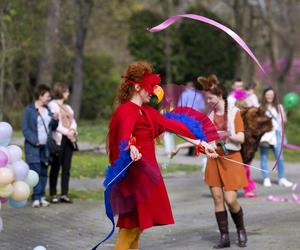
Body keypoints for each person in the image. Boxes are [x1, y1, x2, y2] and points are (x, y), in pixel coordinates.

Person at [104, 61, 217, 250]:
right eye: (150, 86)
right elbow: (123, 137)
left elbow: (172, 125)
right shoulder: (126, 111)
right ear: (137, 86)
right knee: (131, 227)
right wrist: (130, 147)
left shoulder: (146, 112)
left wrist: (200, 142)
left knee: (136, 227)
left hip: (147, 176)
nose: (154, 91)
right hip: (136, 178)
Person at [200, 75, 248, 248]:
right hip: (215, 158)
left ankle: (241, 229)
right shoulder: (209, 115)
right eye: (207, 99)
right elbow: (204, 137)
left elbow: (241, 138)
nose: (209, 101)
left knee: (230, 199)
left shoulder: (234, 112)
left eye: (210, 98)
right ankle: (224, 237)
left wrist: (227, 134)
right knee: (217, 199)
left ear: (219, 95)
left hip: (232, 158)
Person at [22, 84, 58, 208]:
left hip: (46, 147)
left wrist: (56, 120)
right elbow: (25, 129)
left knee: (43, 172)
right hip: (33, 147)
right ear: (40, 95)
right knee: (35, 172)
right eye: (47, 96)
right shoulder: (29, 110)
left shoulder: (48, 110)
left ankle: (42, 196)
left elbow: (52, 127)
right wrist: (34, 141)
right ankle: (36, 197)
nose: (49, 98)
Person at [48, 83, 77, 203]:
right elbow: (55, 125)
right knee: (55, 167)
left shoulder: (68, 107)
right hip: (59, 140)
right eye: (66, 91)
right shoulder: (52, 105)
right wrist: (67, 132)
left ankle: (64, 193)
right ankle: (53, 194)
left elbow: (73, 121)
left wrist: (73, 130)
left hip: (69, 140)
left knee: (66, 168)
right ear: (61, 92)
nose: (68, 94)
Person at [259, 87, 293, 187]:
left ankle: (282, 178)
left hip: (277, 134)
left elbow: (283, 122)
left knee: (280, 157)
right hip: (265, 135)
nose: (269, 96)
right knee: (264, 157)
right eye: (268, 94)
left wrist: (284, 117)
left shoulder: (279, 107)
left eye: (271, 95)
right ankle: (266, 178)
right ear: (264, 95)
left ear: (274, 96)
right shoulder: (260, 107)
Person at [178, 81, 205, 156]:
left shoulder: (184, 94)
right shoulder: (199, 95)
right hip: (196, 117)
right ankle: (193, 151)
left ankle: (190, 151)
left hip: (187, 117)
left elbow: (180, 106)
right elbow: (202, 108)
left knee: (188, 134)